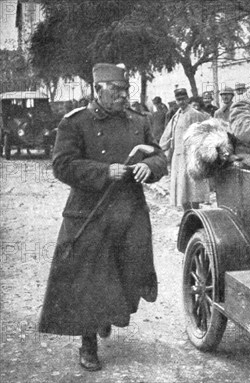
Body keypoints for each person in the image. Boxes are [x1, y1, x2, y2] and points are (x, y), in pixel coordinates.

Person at [38, 63, 168, 372]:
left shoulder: (139, 121)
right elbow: (62, 165)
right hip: (89, 212)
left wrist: (150, 167)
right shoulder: (75, 123)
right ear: (97, 90)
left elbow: (160, 155)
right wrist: (104, 171)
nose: (123, 96)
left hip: (129, 211)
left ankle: (107, 313)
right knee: (89, 279)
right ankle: (88, 343)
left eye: (126, 90)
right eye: (116, 90)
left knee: (130, 269)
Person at [160, 88, 211, 209]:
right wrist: (160, 148)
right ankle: (186, 215)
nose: (181, 102)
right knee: (182, 189)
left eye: (183, 99)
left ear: (187, 99)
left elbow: (206, 131)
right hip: (178, 156)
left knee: (193, 188)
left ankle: (196, 215)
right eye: (178, 100)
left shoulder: (195, 114)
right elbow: (167, 135)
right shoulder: (176, 116)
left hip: (191, 156)